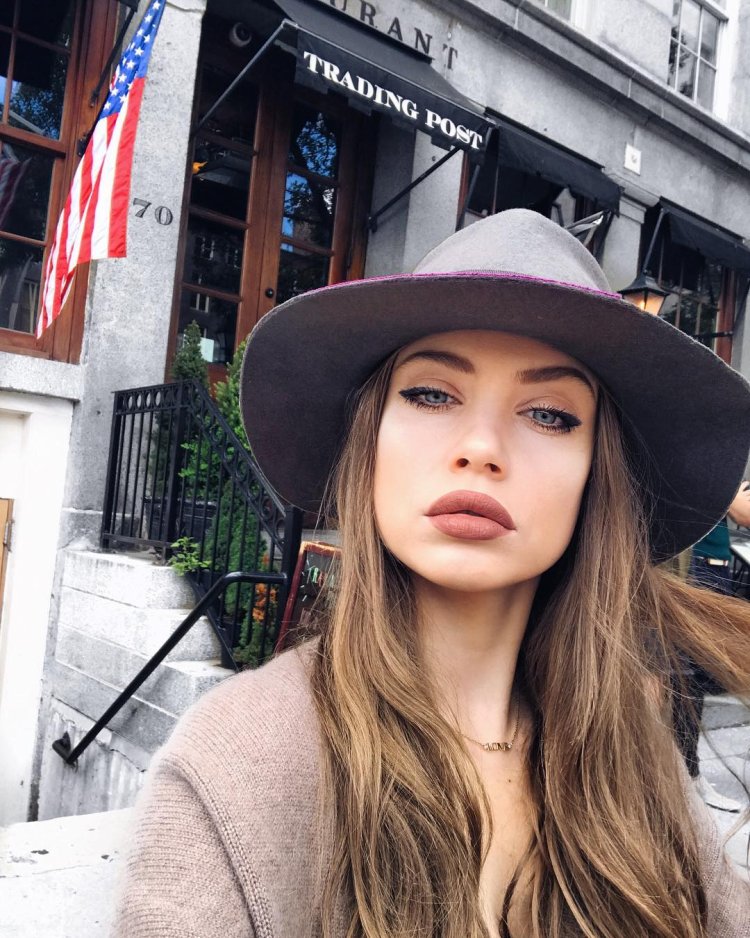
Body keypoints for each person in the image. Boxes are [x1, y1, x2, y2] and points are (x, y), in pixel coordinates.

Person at [112, 210, 750, 938]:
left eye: (549, 414)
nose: (481, 447)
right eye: (431, 394)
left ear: (595, 478)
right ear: (370, 443)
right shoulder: (236, 768)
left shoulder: (638, 760)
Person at [675, 481, 750, 813]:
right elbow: (744, 513)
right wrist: (729, 493)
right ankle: (686, 778)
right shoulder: (712, 475)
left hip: (712, 565)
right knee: (684, 677)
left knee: (690, 677)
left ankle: (688, 775)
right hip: (696, 567)